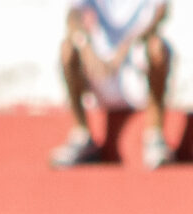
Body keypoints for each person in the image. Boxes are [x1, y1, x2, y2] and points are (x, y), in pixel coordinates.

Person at [55, 0, 177, 170]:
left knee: (158, 47)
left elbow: (161, 12)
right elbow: (73, 14)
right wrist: (86, 46)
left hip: (135, 65)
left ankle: (154, 136)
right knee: (68, 49)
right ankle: (81, 135)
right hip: (99, 68)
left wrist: (126, 46)